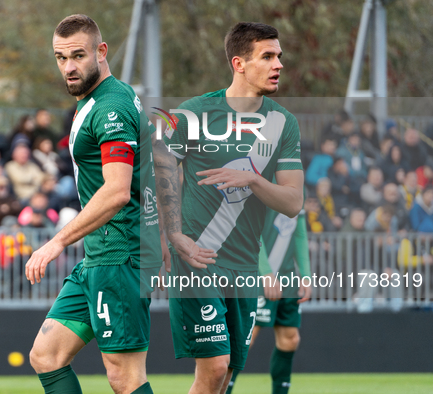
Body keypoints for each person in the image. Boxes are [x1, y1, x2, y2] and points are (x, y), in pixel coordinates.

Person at [154, 22, 304, 394]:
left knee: (224, 376)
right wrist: (167, 236)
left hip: (244, 267)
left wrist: (254, 180)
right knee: (214, 368)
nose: (278, 65)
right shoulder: (193, 113)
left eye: (279, 56)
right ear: (239, 63)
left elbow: (293, 202)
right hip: (198, 260)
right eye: (267, 57)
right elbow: (161, 175)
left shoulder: (283, 124)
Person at [24, 14, 162, 394]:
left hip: (119, 256)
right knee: (47, 355)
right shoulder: (101, 98)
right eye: (60, 57)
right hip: (98, 257)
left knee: (124, 377)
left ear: (101, 52)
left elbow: (117, 191)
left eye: (78, 56)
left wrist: (57, 242)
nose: (68, 67)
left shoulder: (111, 107)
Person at [226, 204, 312, 394]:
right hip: (257, 274)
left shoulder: (299, 185)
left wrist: (305, 274)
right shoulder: (261, 178)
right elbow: (250, 230)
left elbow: (298, 232)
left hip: (287, 277)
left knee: (290, 339)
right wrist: (265, 272)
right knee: (246, 338)